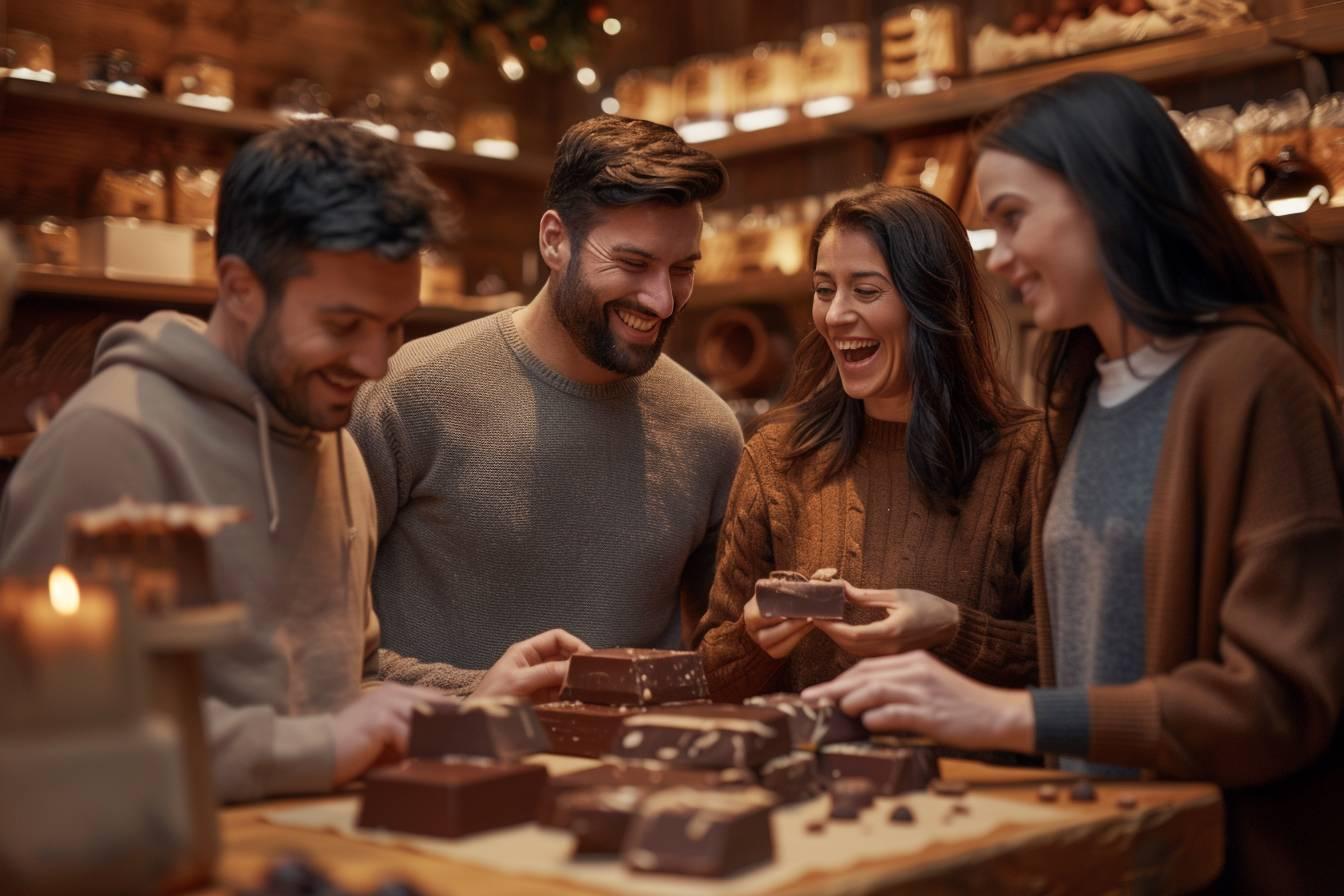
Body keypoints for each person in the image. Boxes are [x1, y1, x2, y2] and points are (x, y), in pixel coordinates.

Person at [804, 73, 1344, 893]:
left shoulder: (1253, 381)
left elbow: (1277, 703)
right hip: (1101, 857)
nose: (1002, 254)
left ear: (1109, 197)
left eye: (1015, 218)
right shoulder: (1082, 393)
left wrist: (1005, 716)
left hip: (1225, 866)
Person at [0, 120, 586, 804]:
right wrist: (319, 749)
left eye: (394, 326)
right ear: (241, 288)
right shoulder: (110, 445)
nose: (375, 365)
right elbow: (51, 735)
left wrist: (470, 699)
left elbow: (346, 686)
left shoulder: (333, 438)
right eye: (343, 327)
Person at [348, 115, 743, 680]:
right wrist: (474, 696)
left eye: (682, 269)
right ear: (555, 239)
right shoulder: (405, 393)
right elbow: (312, 638)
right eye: (633, 263)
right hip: (438, 762)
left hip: (640, 768)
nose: (661, 300)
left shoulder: (709, 430)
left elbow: (717, 657)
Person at [694, 183, 1041, 701]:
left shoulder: (1025, 454)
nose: (835, 316)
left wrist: (953, 629)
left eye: (866, 290)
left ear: (933, 301)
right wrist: (753, 640)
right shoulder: (776, 457)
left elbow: (1066, 665)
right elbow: (707, 678)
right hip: (807, 776)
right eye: (824, 288)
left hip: (973, 780)